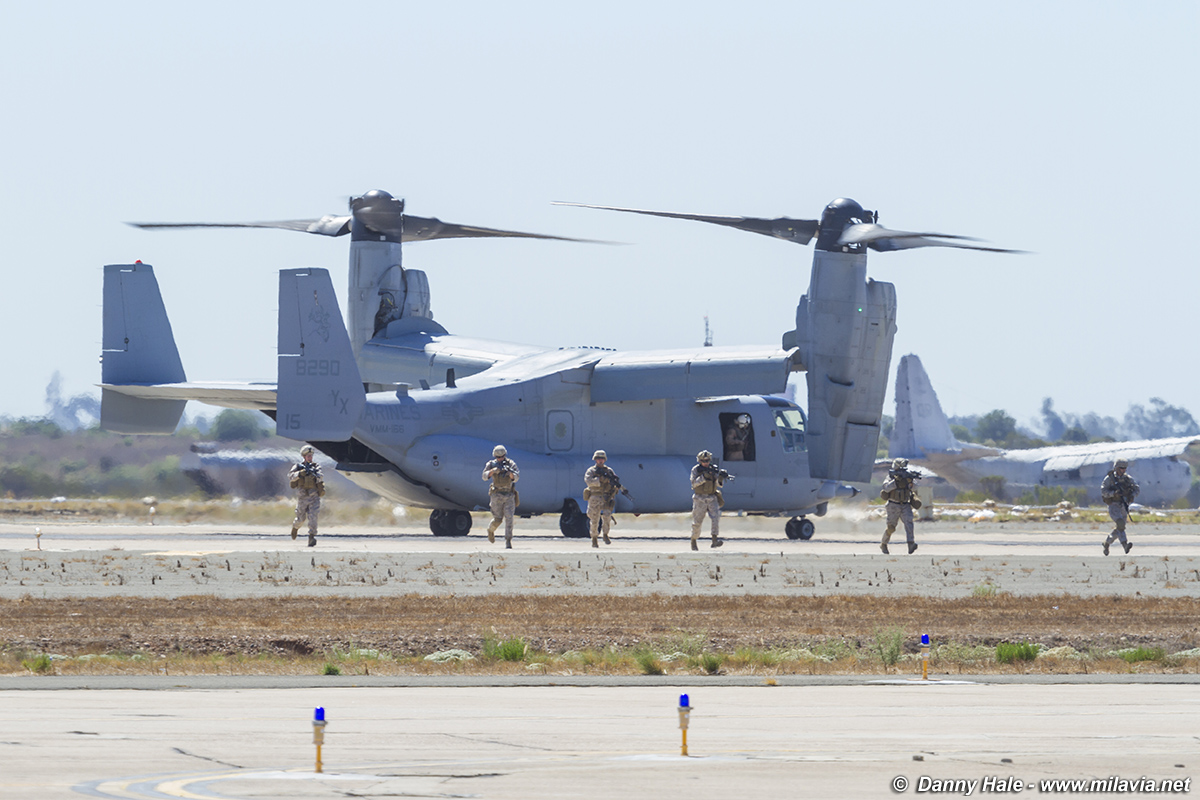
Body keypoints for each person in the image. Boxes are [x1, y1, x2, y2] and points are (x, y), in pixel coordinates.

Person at [880, 457, 920, 555]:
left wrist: (910, 482)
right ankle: (884, 543)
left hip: (905, 504)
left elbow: (915, 487)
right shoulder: (890, 477)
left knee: (909, 524)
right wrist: (895, 482)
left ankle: (911, 544)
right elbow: (886, 488)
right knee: (891, 527)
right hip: (893, 505)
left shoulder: (907, 476)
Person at [482, 444, 520, 548]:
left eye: (502, 456)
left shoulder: (511, 464)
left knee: (509, 518)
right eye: (498, 457)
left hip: (509, 494)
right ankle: (491, 530)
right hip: (496, 494)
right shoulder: (491, 464)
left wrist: (510, 473)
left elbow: (516, 477)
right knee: (498, 519)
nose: (500, 459)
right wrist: (493, 471)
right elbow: (484, 476)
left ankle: (508, 540)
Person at [288, 445, 325, 547]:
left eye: (311, 456)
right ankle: (295, 527)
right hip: (303, 496)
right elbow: (290, 476)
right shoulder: (298, 466)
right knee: (301, 518)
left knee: (313, 517)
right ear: (304, 456)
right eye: (308, 456)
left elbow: (321, 476)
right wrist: (300, 474)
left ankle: (311, 537)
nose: (310, 457)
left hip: (314, 496)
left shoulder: (316, 466)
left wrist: (314, 474)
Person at [1100, 458, 1139, 555]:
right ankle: (1125, 545)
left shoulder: (1127, 479)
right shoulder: (1109, 479)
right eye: (1121, 468)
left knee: (1120, 528)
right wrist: (1114, 493)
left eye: (1125, 468)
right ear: (1116, 468)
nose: (1123, 470)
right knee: (1120, 524)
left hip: (1123, 505)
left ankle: (1107, 543)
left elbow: (1137, 489)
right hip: (1113, 505)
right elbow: (1103, 491)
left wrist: (1131, 495)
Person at [689, 450, 725, 550]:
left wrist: (720, 478)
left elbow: (718, 484)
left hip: (712, 497)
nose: (705, 463)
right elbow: (693, 484)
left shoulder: (713, 469)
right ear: (699, 461)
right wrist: (704, 477)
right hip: (699, 498)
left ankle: (714, 540)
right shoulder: (696, 470)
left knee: (716, 518)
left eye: (707, 460)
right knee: (697, 521)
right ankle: (693, 540)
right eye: (703, 461)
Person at [584, 450, 617, 548]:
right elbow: (588, 481)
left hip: (606, 497)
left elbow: (614, 481)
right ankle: (594, 538)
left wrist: (613, 486)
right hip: (594, 497)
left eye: (602, 459)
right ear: (595, 460)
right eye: (598, 459)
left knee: (607, 515)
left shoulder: (609, 471)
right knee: (594, 519)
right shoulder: (591, 471)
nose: (600, 460)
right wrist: (599, 480)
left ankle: (605, 534)